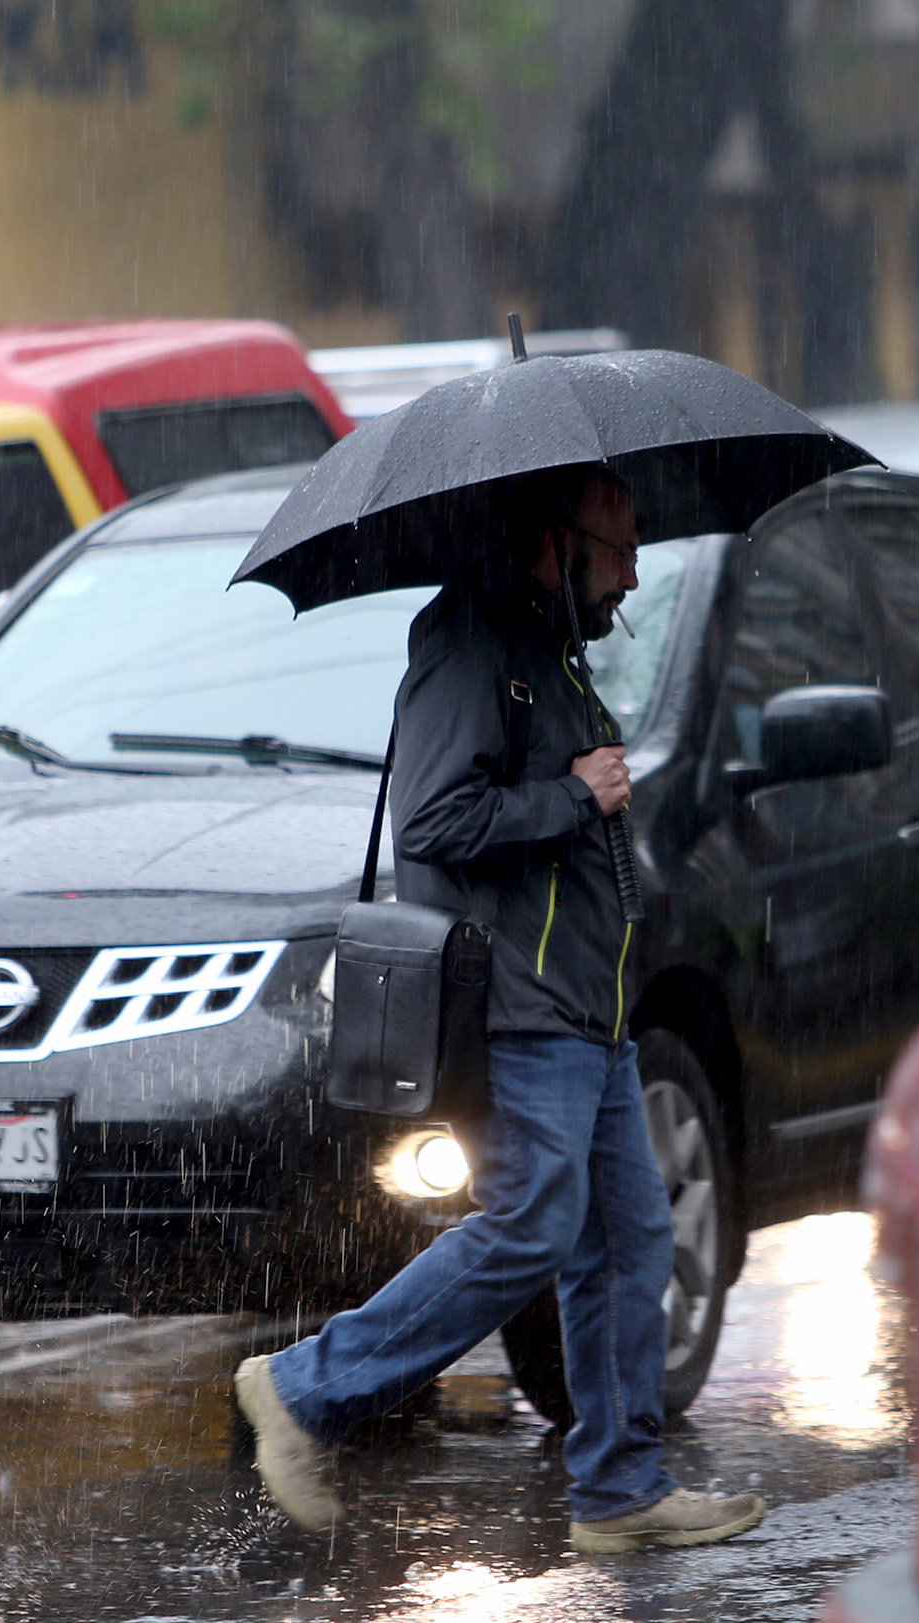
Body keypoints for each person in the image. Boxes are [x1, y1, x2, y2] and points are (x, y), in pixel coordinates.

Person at [232, 465, 766, 1556]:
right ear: (550, 540)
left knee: (628, 1238)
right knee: (529, 1225)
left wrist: (584, 797)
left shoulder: (548, 645)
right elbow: (434, 818)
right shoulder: (469, 644)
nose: (631, 573)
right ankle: (301, 1390)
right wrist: (575, 795)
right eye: (615, 548)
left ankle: (619, 1489)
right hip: (520, 1003)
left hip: (589, 1003)